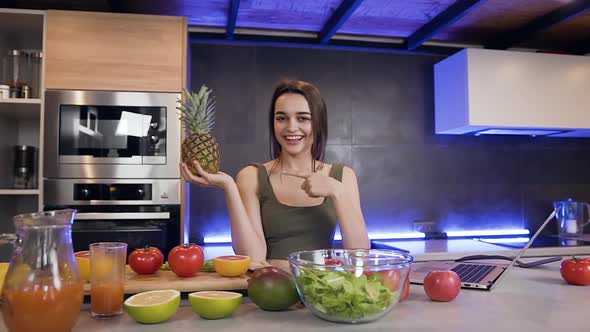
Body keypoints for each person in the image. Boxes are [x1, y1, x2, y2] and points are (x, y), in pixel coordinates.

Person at [180, 80, 370, 262]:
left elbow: (360, 256)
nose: (291, 127)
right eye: (281, 118)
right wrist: (229, 187)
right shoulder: (251, 176)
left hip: (320, 291)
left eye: (303, 118)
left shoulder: (343, 177)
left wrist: (337, 192)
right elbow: (253, 257)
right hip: (270, 289)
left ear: (318, 123)